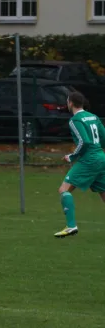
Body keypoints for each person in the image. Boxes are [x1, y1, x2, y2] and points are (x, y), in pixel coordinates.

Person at [54, 91, 105, 238]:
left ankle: (71, 226)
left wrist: (72, 156)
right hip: (101, 157)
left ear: (70, 103)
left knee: (64, 189)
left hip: (89, 159)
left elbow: (85, 141)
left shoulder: (75, 120)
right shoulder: (93, 117)